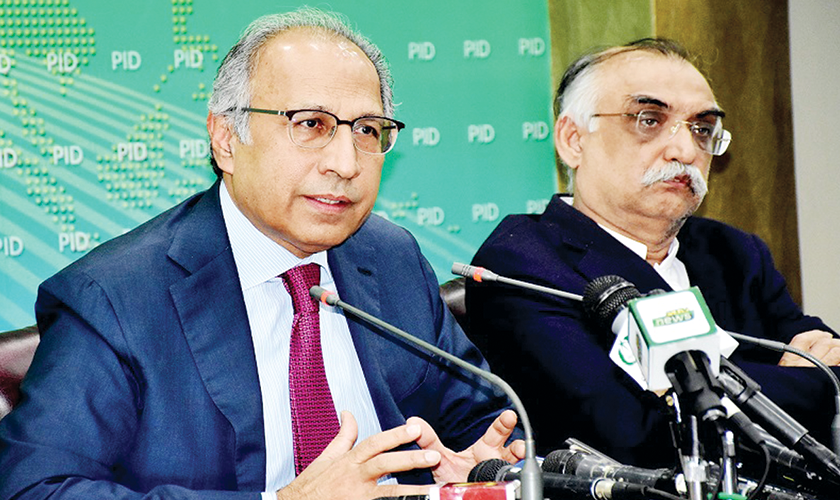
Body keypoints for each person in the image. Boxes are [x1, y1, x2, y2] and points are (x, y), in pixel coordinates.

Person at [0, 8, 524, 500]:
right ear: (226, 139)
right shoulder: (115, 296)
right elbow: (35, 488)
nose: (346, 163)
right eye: (311, 124)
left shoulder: (391, 257)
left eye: (367, 130)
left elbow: (483, 421)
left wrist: (481, 470)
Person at [467, 38, 840, 467]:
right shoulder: (522, 262)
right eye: (649, 120)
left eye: (702, 129)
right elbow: (630, 432)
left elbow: (833, 373)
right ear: (573, 140)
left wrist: (696, 392)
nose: (685, 151)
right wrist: (795, 380)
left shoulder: (734, 253)